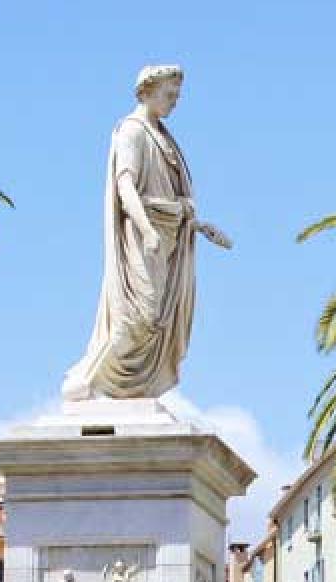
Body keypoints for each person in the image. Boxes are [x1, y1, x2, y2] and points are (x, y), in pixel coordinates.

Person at [63, 64, 233, 402]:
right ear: (148, 91)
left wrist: (197, 225)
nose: (174, 103)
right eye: (169, 95)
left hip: (168, 239)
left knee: (154, 322)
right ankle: (87, 380)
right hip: (143, 239)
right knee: (138, 316)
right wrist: (147, 230)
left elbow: (170, 198)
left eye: (177, 97)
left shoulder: (163, 137)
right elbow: (125, 185)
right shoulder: (132, 131)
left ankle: (117, 389)